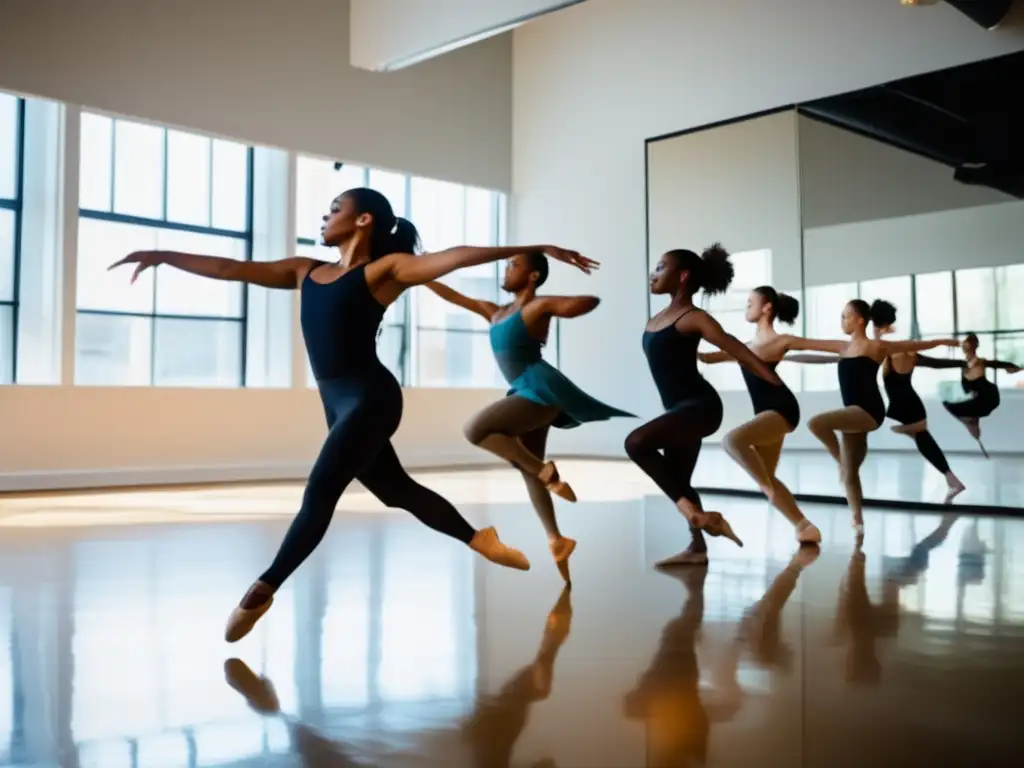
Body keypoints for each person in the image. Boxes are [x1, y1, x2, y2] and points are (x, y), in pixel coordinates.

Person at [109, 187, 598, 642]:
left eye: (335, 207)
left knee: (320, 490)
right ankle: (478, 538)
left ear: (363, 219)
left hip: (371, 400)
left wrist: (539, 247)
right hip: (337, 404)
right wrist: (162, 256)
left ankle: (263, 589)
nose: (325, 216)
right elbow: (230, 267)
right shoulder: (305, 271)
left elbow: (454, 257)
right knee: (393, 489)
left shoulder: (384, 272)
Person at [424, 252, 633, 584]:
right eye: (507, 265)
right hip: (525, 391)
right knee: (525, 465)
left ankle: (545, 472)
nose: (506, 270)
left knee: (475, 429)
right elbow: (453, 295)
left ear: (532, 275)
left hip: (541, 389)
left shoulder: (534, 307)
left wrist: (551, 303)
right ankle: (556, 539)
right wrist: (421, 272)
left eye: (513, 265)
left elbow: (587, 302)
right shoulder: (493, 311)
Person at [626, 244, 783, 566]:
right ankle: (697, 547)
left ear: (682, 276)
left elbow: (735, 347)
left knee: (636, 443)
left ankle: (696, 517)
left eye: (660, 267)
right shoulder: (659, 317)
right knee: (679, 480)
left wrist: (773, 382)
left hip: (700, 408)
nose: (653, 274)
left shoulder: (692, 317)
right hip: (679, 411)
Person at [779, 300, 957, 533]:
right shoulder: (842, 347)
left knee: (816, 423)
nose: (842, 321)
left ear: (860, 320)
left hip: (870, 411)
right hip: (852, 416)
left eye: (846, 316)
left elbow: (915, 344)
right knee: (851, 473)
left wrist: (943, 341)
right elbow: (807, 345)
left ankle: (840, 462)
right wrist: (781, 349)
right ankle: (858, 521)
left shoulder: (877, 347)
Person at [698, 286, 821, 545]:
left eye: (750, 302)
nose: (746, 306)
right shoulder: (744, 348)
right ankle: (805, 527)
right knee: (768, 478)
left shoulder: (780, 341)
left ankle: (771, 492)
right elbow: (707, 358)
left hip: (782, 410)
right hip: (766, 415)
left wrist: (858, 349)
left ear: (767, 308)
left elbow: (827, 346)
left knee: (732, 441)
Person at [942, 332, 1019, 457]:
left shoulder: (981, 362)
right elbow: (965, 384)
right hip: (976, 400)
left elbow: (997, 364)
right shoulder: (962, 365)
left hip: (987, 397)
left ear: (972, 346)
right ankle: (971, 423)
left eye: (965, 343)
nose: (963, 346)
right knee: (950, 406)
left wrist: (1012, 367)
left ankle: (970, 422)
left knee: (967, 416)